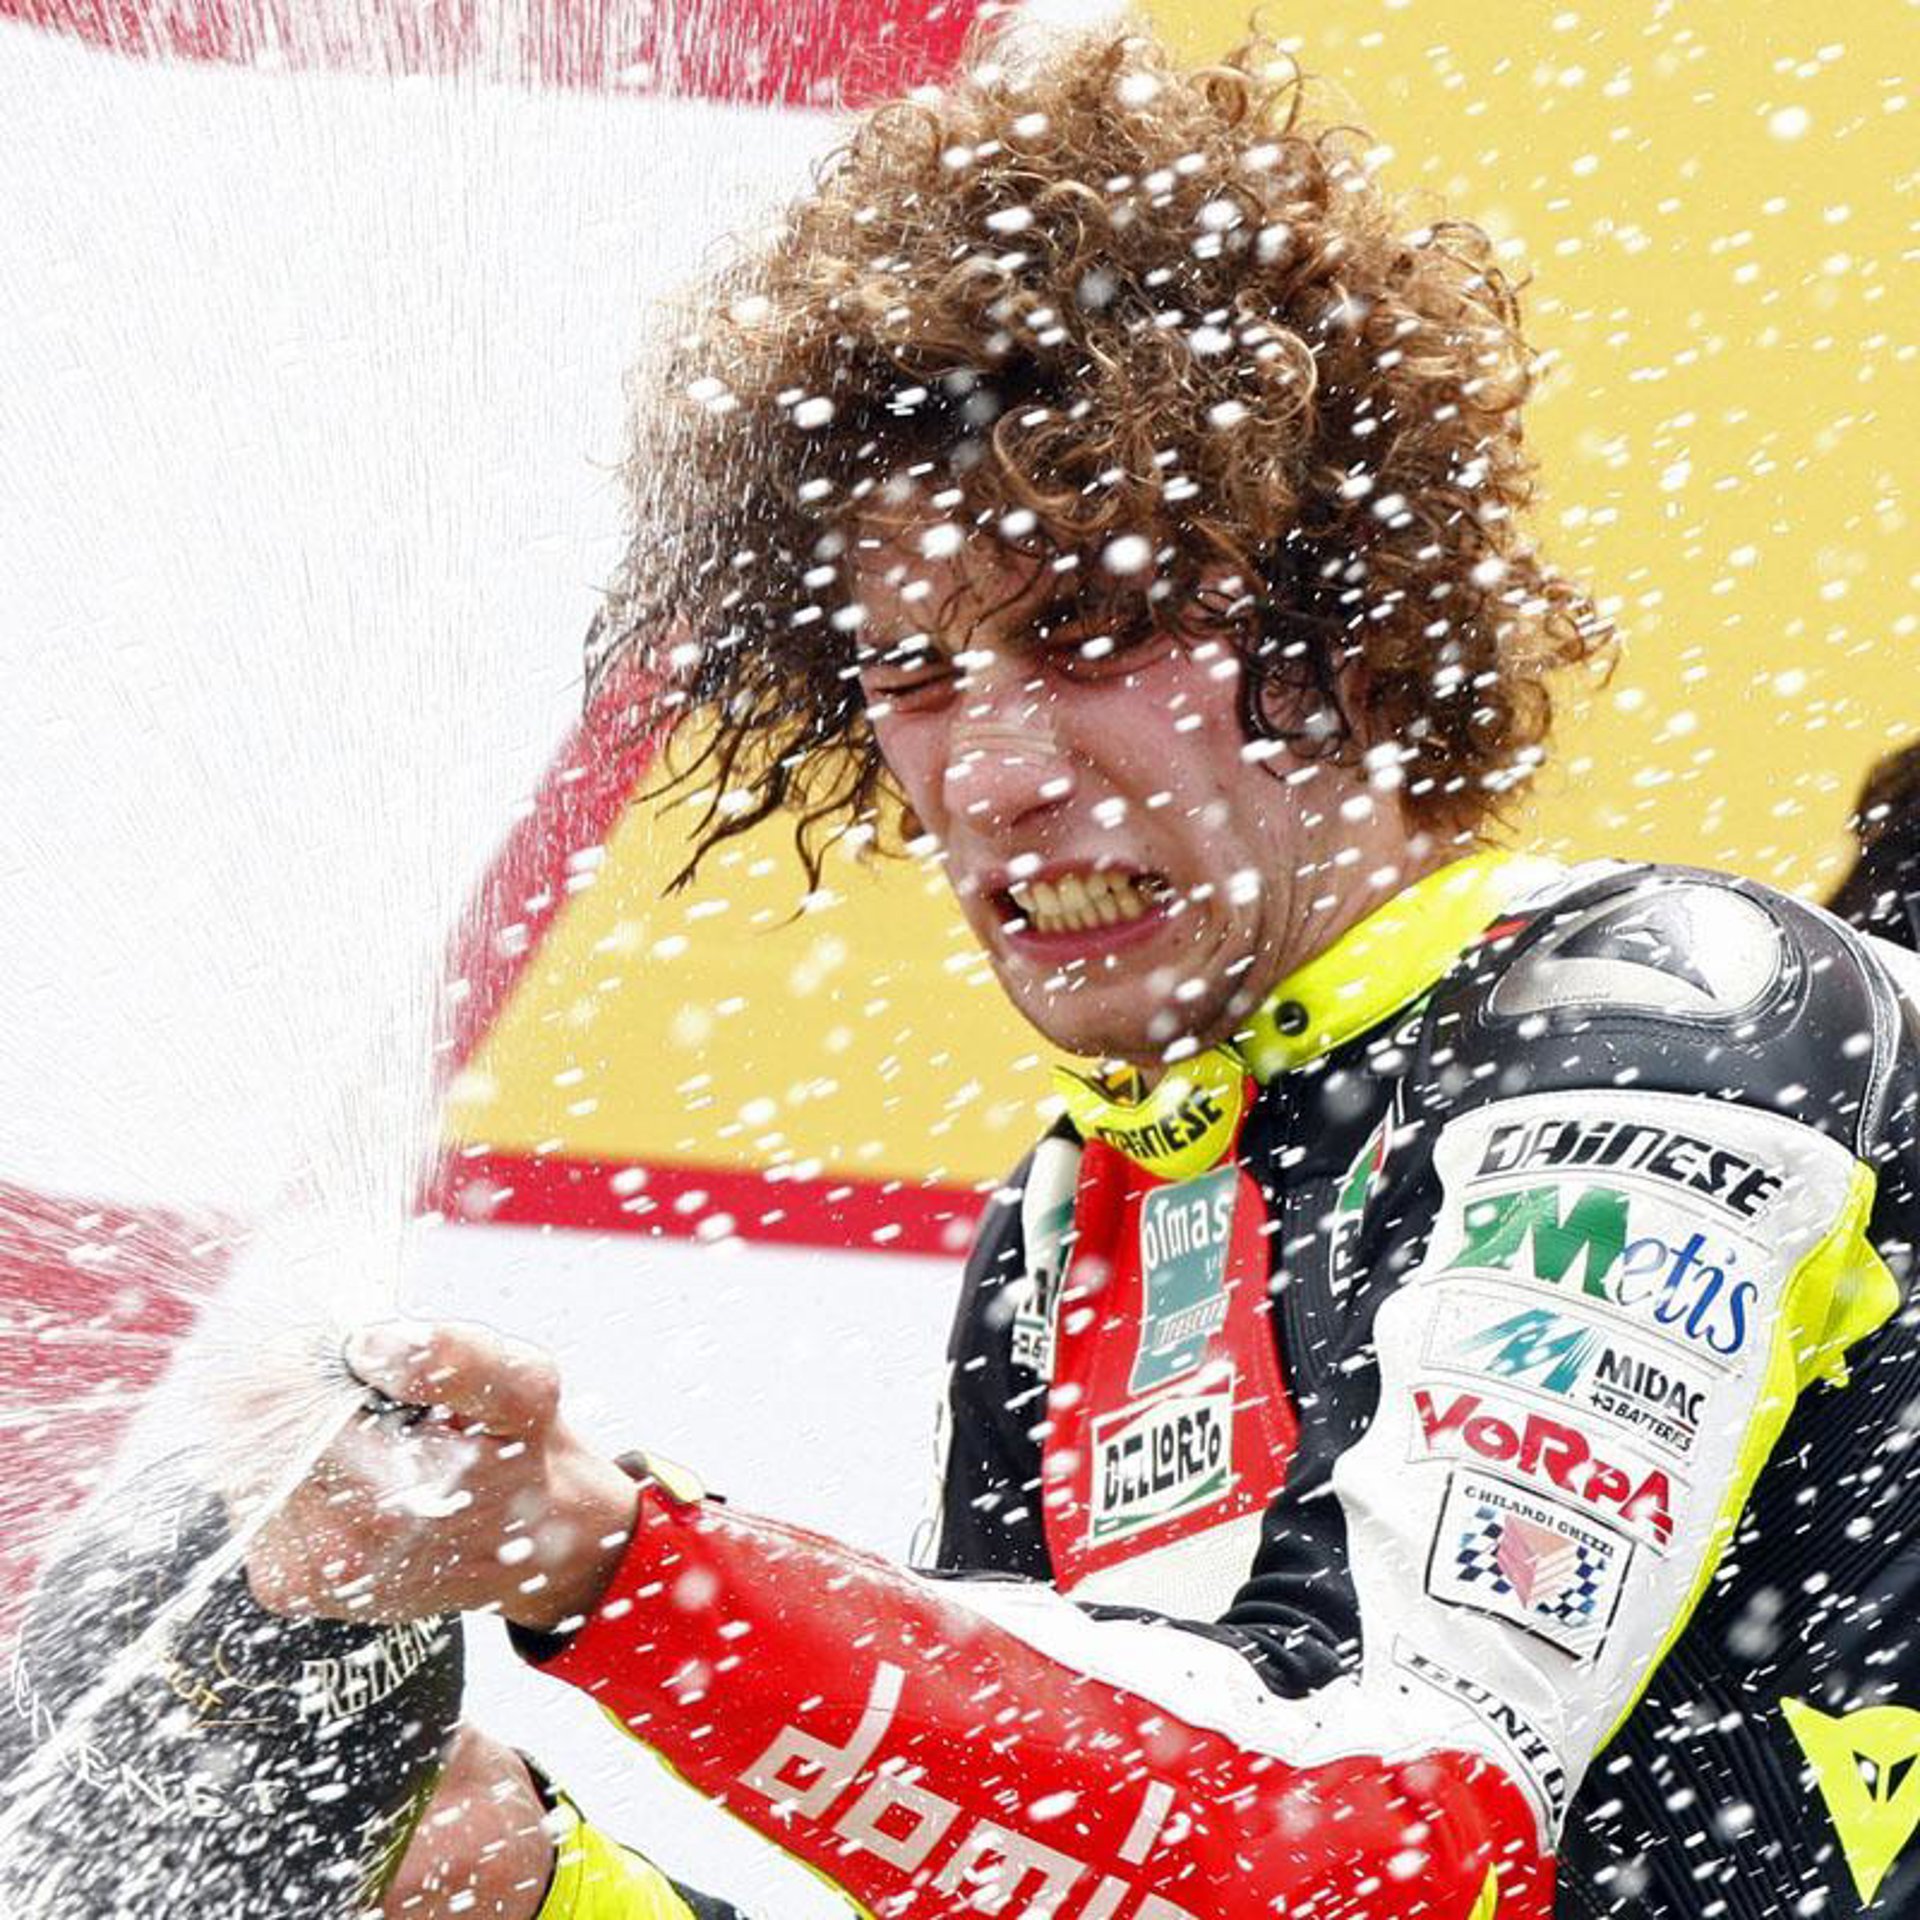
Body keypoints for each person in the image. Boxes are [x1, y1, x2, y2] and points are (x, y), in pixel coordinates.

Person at [254, 20, 1920, 1919]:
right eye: (910, 672)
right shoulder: (1078, 1222)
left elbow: (1389, 1862)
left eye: (1088, 631)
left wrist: (608, 1561)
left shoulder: (1669, 1029)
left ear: (1353, 626)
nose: (992, 774)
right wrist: (521, 1884)